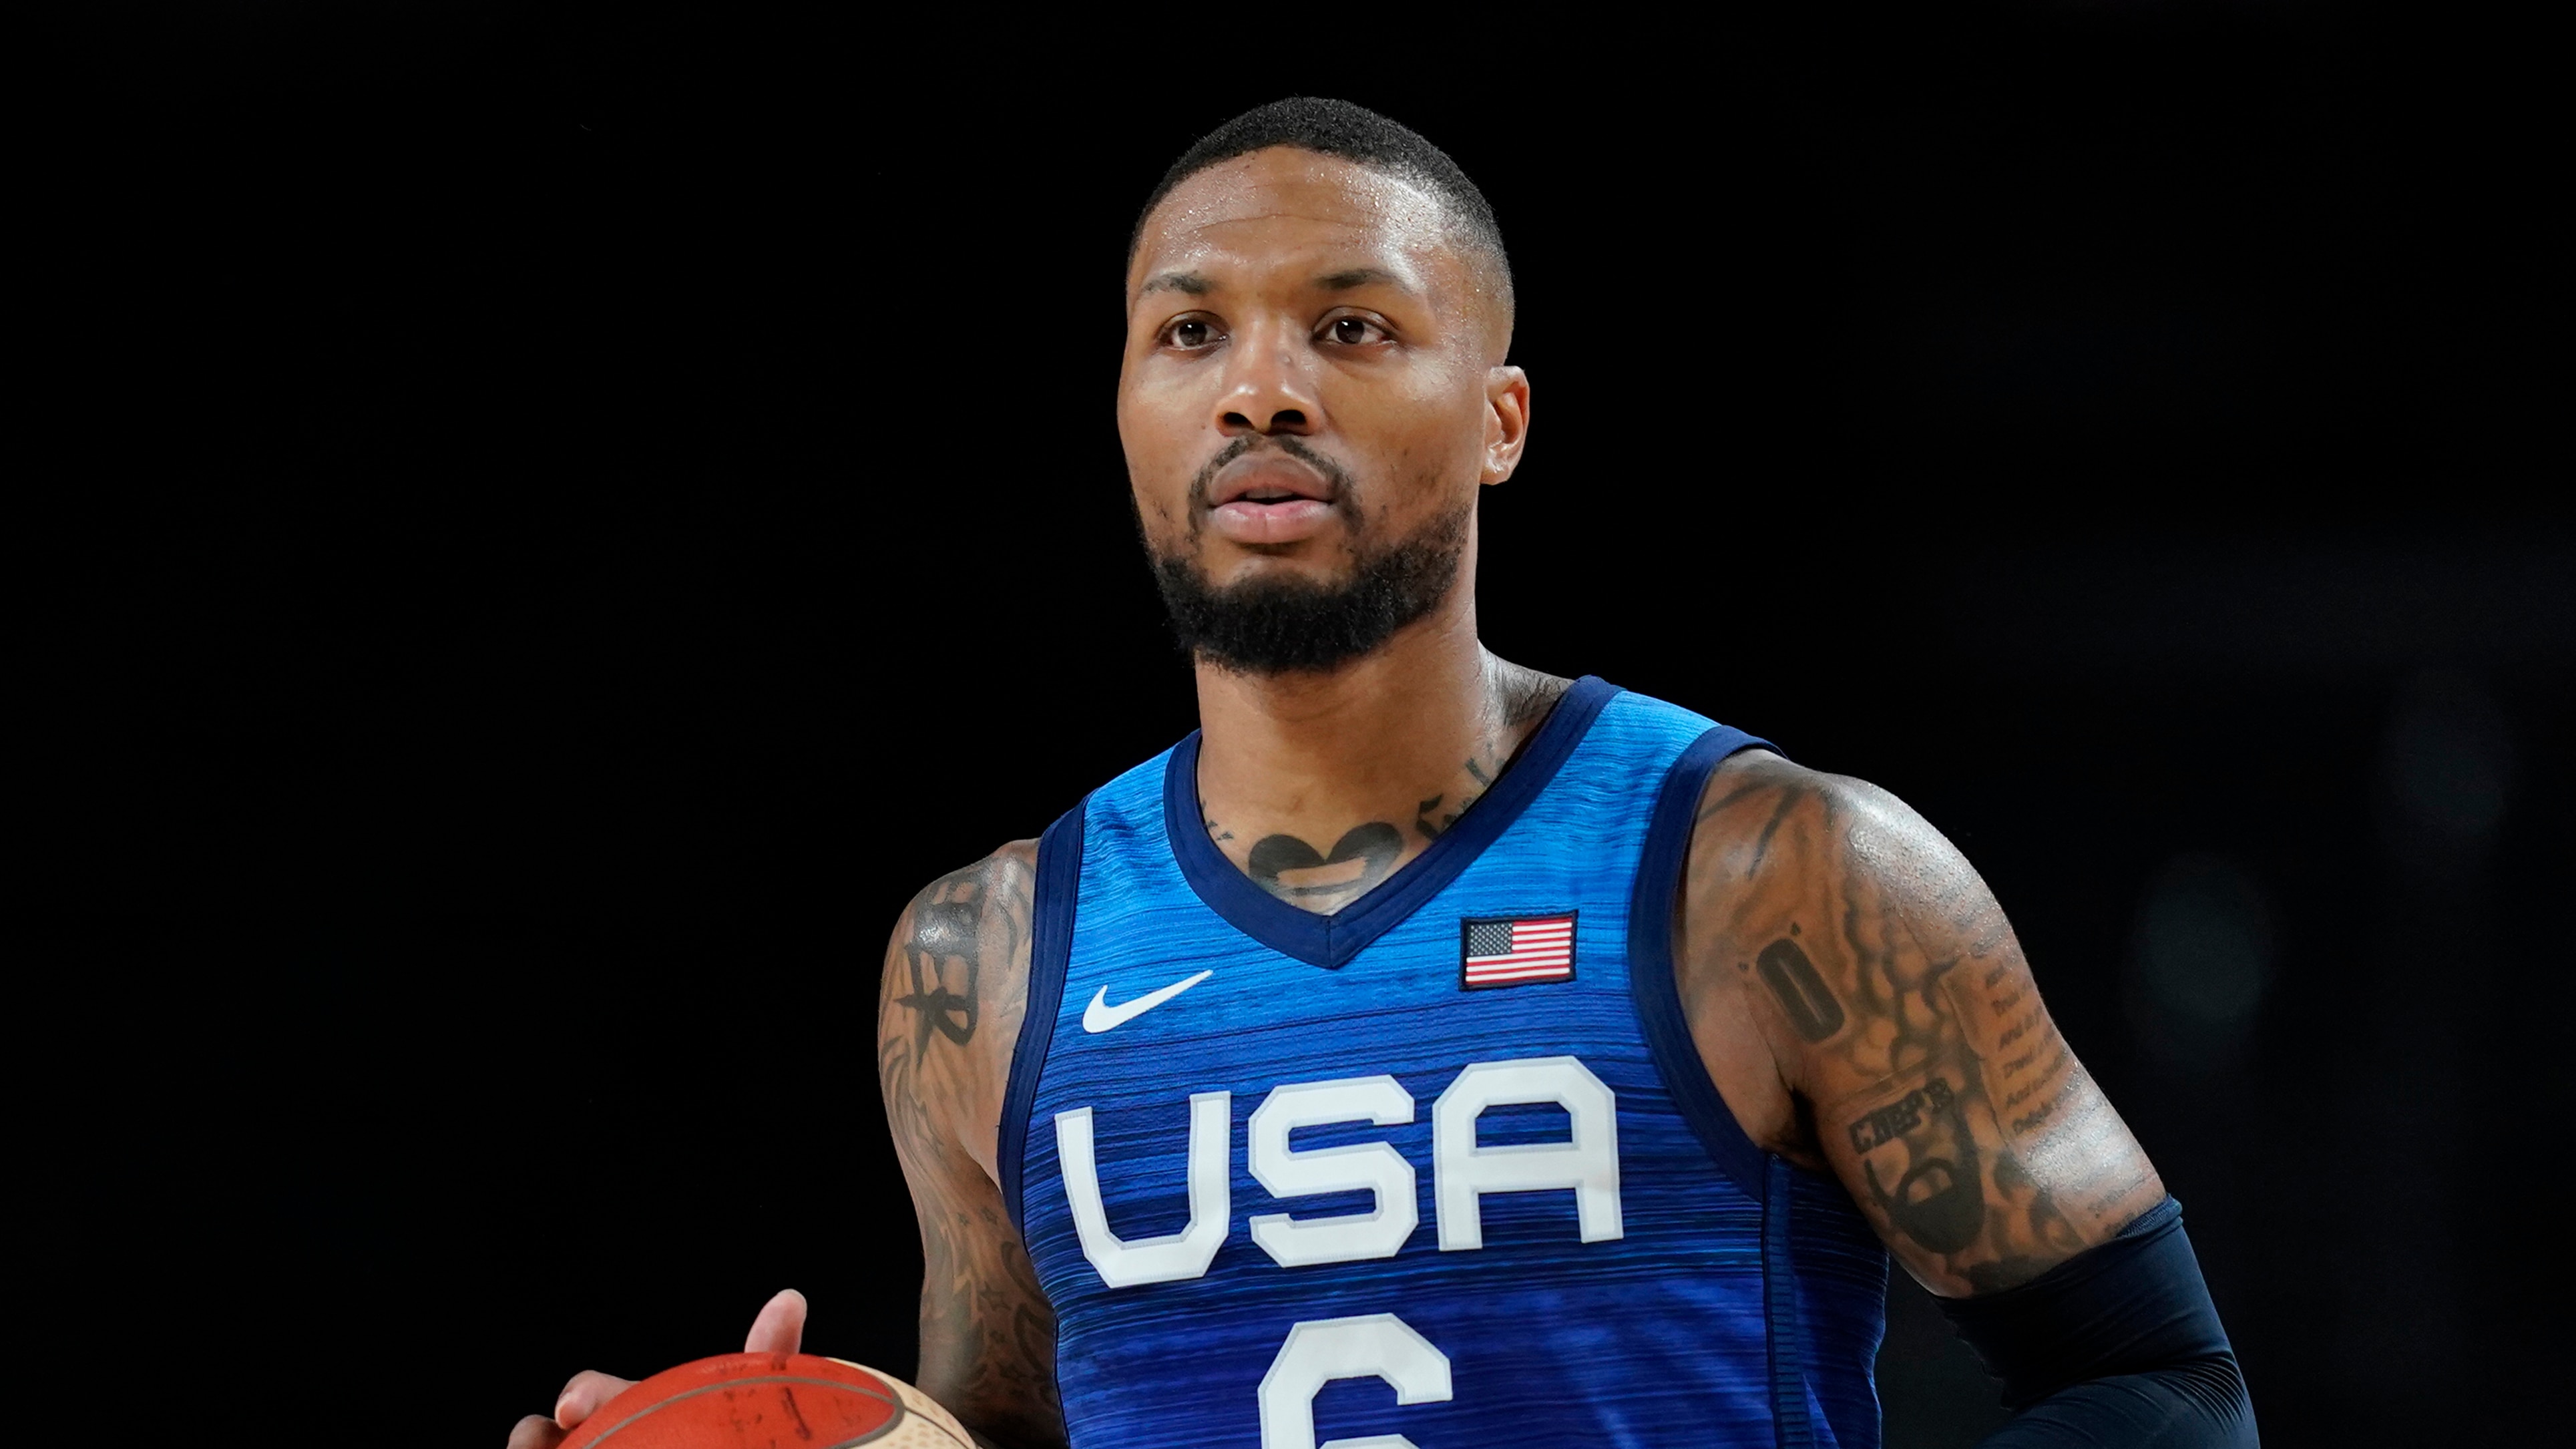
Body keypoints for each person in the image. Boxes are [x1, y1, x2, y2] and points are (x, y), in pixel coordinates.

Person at [511, 97, 2256, 1449]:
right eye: (1189, 334)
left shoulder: (1769, 870)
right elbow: (1010, 1436)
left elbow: (2159, 1382)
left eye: (1349, 327)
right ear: (1124, 411)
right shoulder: (982, 959)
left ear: (1500, 418)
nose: (1258, 389)